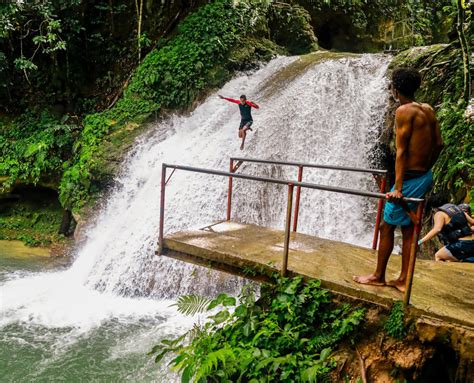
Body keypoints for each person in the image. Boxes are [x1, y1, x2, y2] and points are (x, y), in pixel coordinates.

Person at [354, 67, 444, 292]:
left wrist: (399, 187)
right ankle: (403, 279)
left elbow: (402, 151)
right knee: (407, 229)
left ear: (396, 89)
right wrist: (426, 169)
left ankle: (378, 276)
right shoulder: (428, 109)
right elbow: (440, 144)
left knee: (386, 226)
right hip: (423, 175)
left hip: (409, 179)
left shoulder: (404, 111)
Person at [417, 194, 474, 262]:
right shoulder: (458, 209)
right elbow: (472, 222)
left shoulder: (440, 214)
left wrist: (420, 241)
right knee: (450, 257)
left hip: (461, 245)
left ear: (433, 206)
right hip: (471, 242)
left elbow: (437, 229)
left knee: (438, 256)